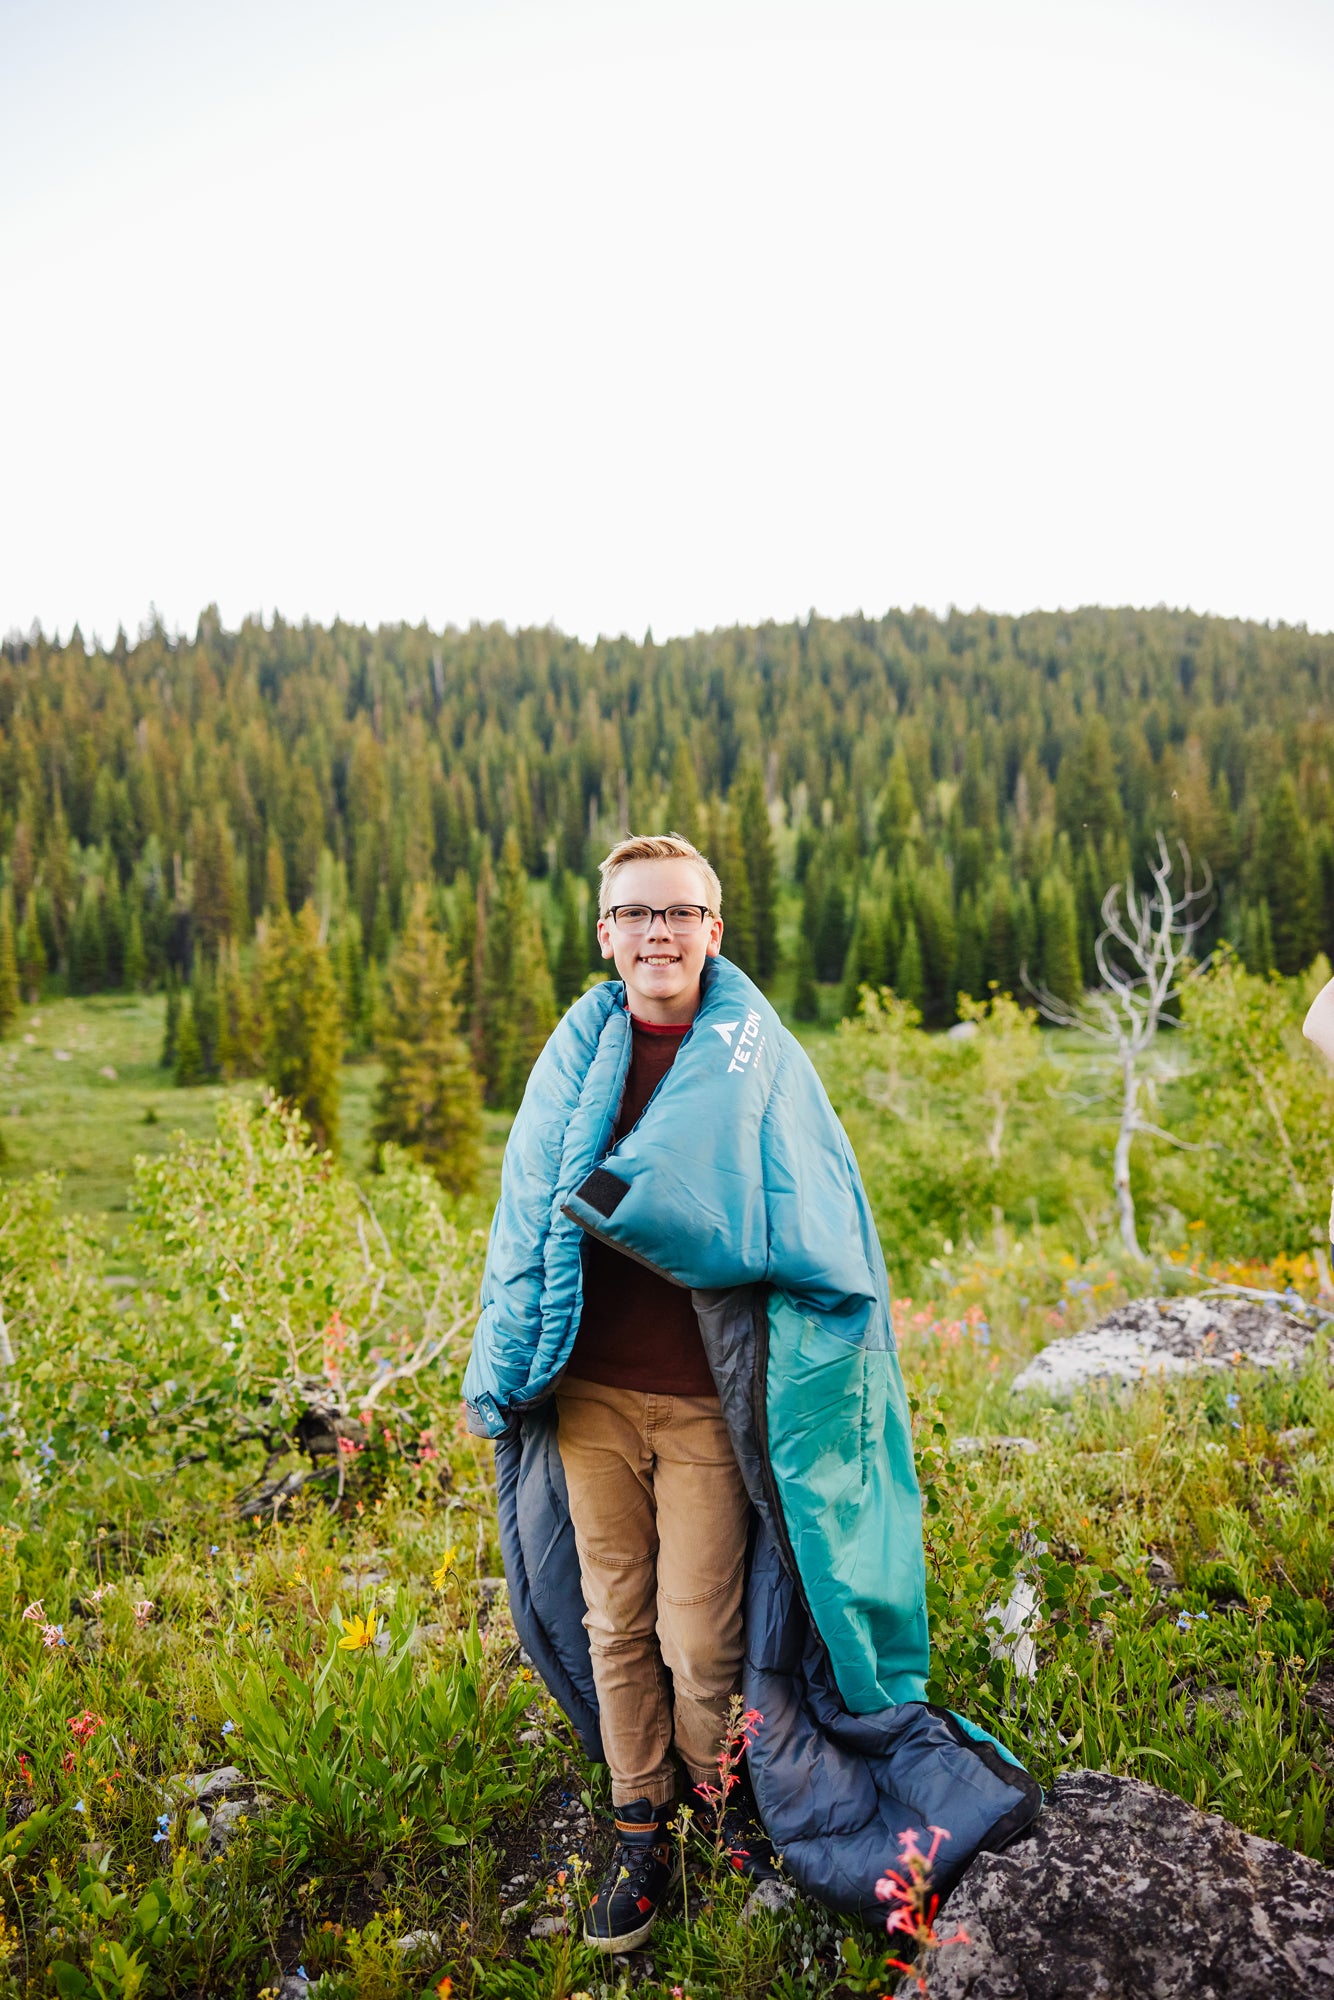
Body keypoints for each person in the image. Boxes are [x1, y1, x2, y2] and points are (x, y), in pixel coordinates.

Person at [463, 832, 1039, 1948]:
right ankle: (642, 1823)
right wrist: (503, 1363)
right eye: (634, 915)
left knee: (701, 1634)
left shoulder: (756, 1058)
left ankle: (721, 1798)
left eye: (677, 913)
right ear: (604, 936)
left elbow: (814, 1217)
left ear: (713, 930)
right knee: (614, 1616)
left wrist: (659, 1202)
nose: (656, 933)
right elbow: (523, 1222)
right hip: (587, 1398)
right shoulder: (573, 1054)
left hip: (701, 1404)